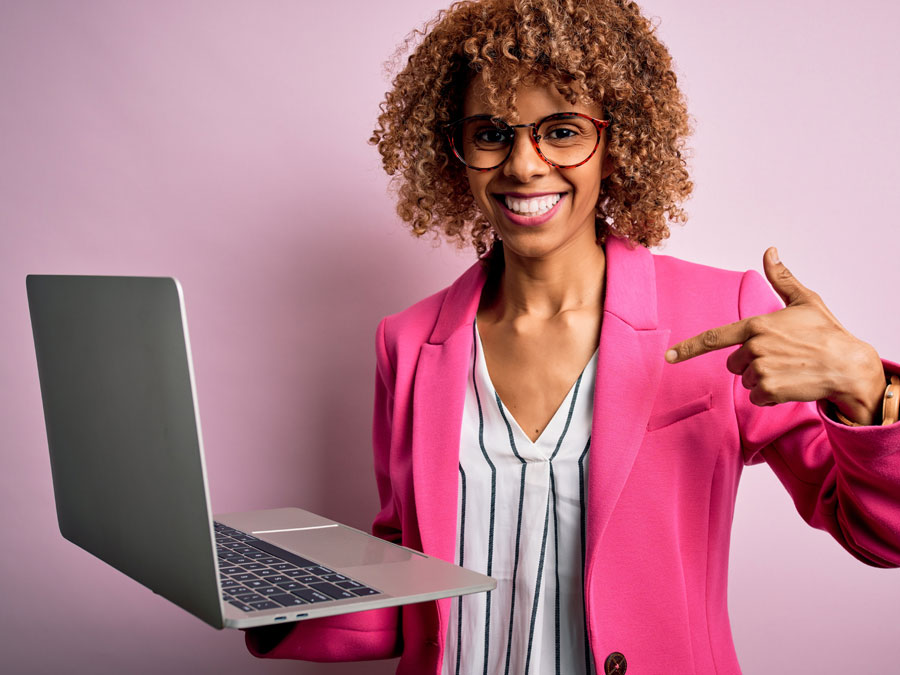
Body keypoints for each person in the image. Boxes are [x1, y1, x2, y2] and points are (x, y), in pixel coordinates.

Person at [246, 0, 900, 672]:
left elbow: (883, 534)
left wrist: (867, 386)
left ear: (616, 144)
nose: (525, 166)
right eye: (493, 132)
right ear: (456, 151)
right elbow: (414, 586)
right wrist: (266, 594)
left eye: (560, 131)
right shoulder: (408, 342)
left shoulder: (721, 313)